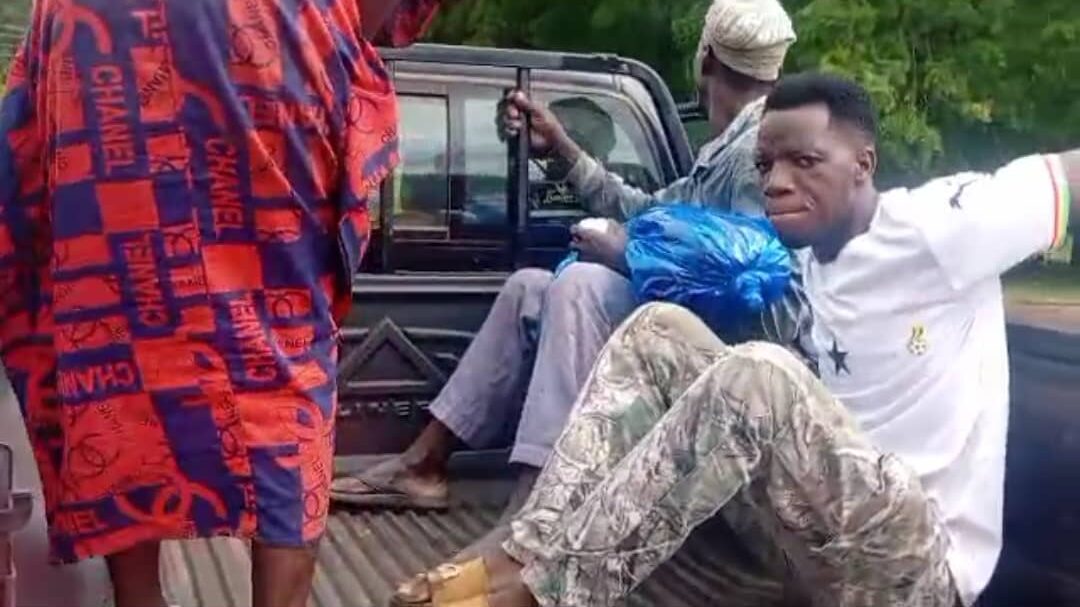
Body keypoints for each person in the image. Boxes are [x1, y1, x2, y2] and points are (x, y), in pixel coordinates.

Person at [386, 73, 1078, 607]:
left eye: (805, 161)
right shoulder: (795, 262)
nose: (778, 182)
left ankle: (543, 595)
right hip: (813, 548)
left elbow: (1067, 176)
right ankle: (524, 553)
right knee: (658, 331)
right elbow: (663, 226)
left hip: (915, 568)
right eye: (767, 165)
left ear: (863, 163)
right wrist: (576, 171)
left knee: (760, 373)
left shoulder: (938, 226)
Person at [0, 1, 443, 606]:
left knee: (117, 324)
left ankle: (138, 600)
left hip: (92, 22)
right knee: (283, 348)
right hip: (267, 31)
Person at [330, 0, 809, 535]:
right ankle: (424, 465)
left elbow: (757, 289)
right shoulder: (727, 147)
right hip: (692, 330)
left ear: (707, 59)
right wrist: (563, 149)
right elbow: (647, 212)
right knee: (529, 289)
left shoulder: (756, 150)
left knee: (581, 283)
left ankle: (543, 505)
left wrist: (627, 255)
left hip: (736, 362)